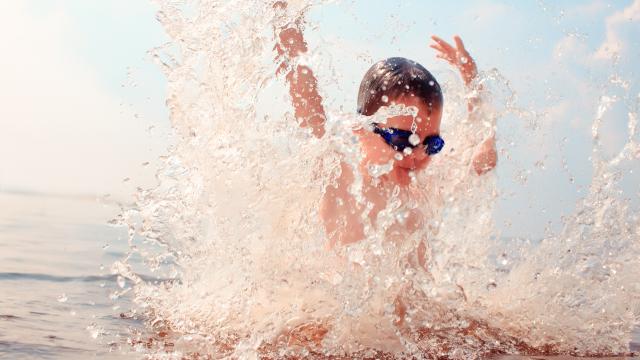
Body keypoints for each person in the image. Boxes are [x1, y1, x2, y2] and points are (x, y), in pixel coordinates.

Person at [275, 10, 497, 251]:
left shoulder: (423, 189)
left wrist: (471, 79)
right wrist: (284, 17)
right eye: (404, 140)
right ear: (361, 129)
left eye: (432, 144)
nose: (418, 155)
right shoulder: (339, 176)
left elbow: (479, 144)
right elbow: (306, 99)